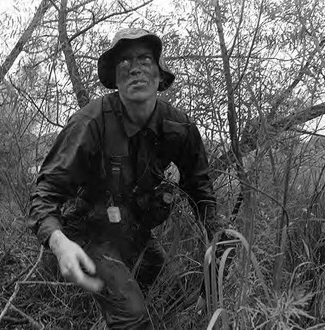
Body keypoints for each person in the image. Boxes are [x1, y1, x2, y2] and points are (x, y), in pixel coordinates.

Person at [28, 28, 224, 329]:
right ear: (115, 79)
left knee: (170, 289)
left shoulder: (180, 128)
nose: (134, 68)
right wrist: (59, 243)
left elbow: (202, 191)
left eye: (144, 58)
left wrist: (218, 247)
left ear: (159, 74)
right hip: (88, 233)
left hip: (133, 231)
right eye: (124, 62)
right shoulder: (90, 123)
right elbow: (45, 193)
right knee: (133, 317)